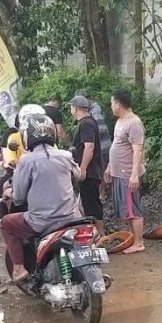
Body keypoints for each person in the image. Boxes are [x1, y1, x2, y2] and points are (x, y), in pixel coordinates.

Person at [1, 114, 82, 283]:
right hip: (72, 218)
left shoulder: (26, 161)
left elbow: (19, 198)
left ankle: (19, 268)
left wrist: (9, 192)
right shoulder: (65, 155)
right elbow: (77, 177)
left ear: (26, 136)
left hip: (42, 221)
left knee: (6, 223)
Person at [106, 89, 146, 254]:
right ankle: (136, 239)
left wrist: (134, 175)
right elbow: (117, 145)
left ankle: (139, 242)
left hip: (128, 173)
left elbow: (138, 150)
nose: (111, 107)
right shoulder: (120, 121)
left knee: (133, 209)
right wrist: (110, 166)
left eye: (111, 103)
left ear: (118, 104)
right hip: (119, 172)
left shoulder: (134, 122)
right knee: (127, 209)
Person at [69, 95, 105, 234]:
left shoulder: (86, 124)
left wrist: (83, 169)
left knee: (92, 204)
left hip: (90, 171)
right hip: (91, 170)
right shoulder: (88, 122)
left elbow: (89, 147)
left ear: (76, 108)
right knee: (87, 203)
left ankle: (100, 234)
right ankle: (94, 232)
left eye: (71, 107)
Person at [75, 88, 111, 176]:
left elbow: (101, 129)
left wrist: (89, 134)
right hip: (101, 148)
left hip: (103, 148)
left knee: (102, 176)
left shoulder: (95, 111)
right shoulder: (91, 111)